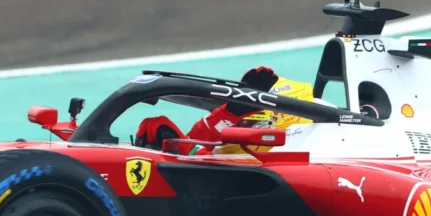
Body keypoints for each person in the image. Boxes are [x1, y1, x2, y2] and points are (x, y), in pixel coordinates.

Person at [134, 66, 315, 155]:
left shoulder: (324, 142)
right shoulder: (223, 140)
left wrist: (185, 149)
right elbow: (204, 143)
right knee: (154, 128)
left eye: (247, 114)